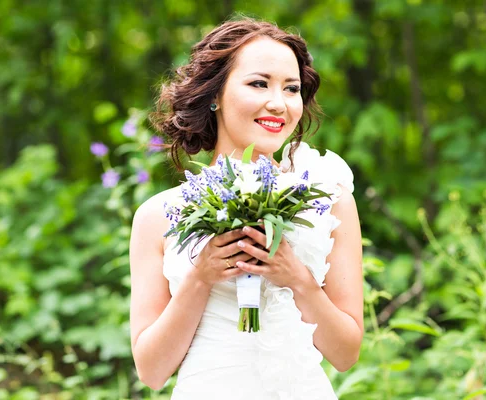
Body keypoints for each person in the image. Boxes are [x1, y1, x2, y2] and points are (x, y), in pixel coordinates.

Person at [129, 17, 363, 400]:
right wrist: (201, 277)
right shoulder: (157, 216)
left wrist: (297, 278)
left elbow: (345, 354)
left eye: (292, 89)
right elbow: (152, 372)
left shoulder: (330, 203)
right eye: (259, 83)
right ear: (215, 94)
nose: (279, 103)